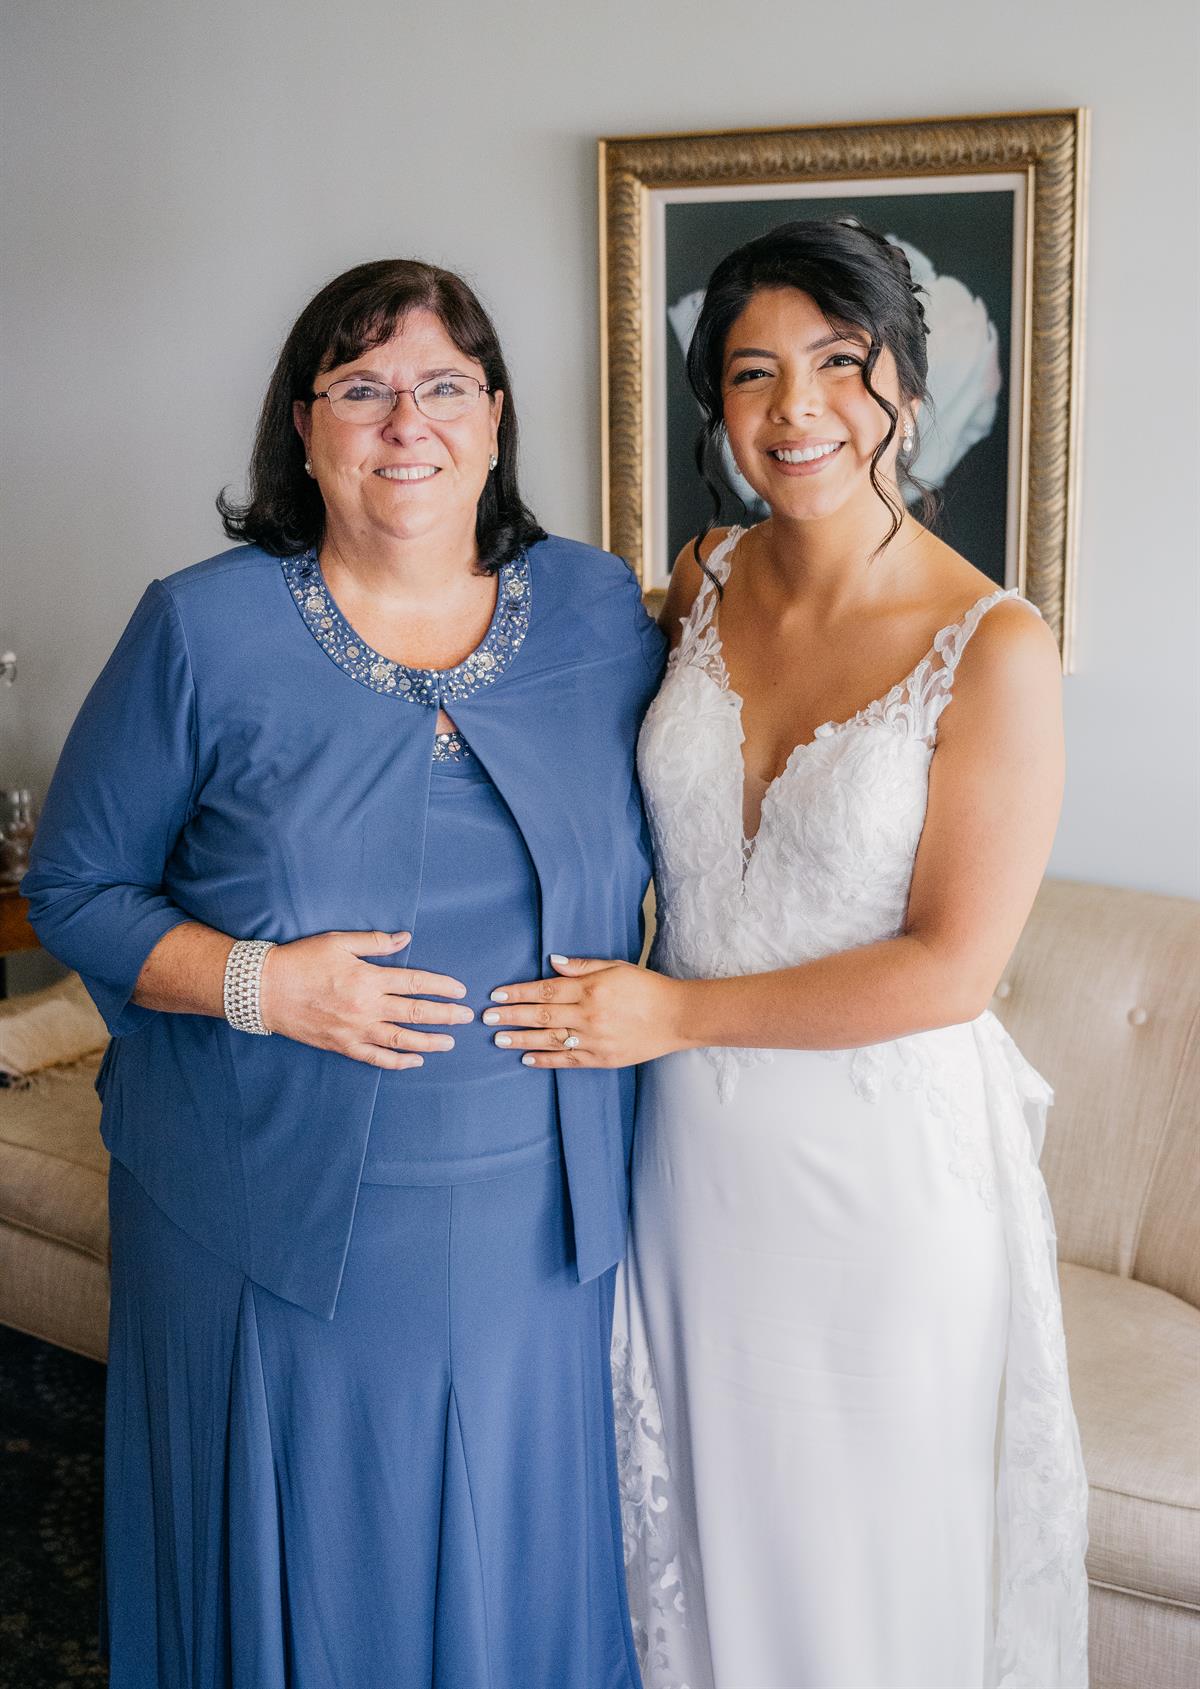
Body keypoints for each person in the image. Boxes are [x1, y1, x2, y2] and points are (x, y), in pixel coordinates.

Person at [24, 258, 664, 1688]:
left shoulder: (597, 607)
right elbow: (73, 886)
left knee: (515, 1566)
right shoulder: (200, 628)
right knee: (305, 1566)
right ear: (303, 428)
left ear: (495, 420)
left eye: (442, 387)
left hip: (536, 1217)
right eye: (361, 389)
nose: (404, 423)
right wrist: (266, 984)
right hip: (262, 1204)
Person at [485, 221, 1089, 1688]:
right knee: (703, 1537)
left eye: (837, 362)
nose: (794, 407)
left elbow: (950, 969)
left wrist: (672, 1013)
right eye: (752, 372)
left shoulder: (996, 646)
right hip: (690, 1159)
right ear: (718, 404)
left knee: (861, 1568)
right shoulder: (702, 579)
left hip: (878, 1178)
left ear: (904, 387)